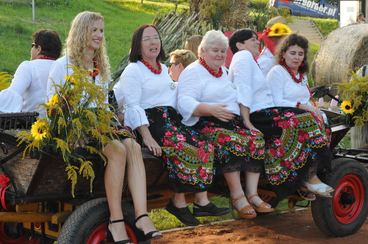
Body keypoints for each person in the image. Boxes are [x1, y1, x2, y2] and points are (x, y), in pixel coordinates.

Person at [47, 12, 161, 243]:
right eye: (94, 30)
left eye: (101, 31)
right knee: (117, 150)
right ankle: (116, 220)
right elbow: (52, 105)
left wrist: (115, 120)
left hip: (101, 119)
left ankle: (141, 215)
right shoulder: (64, 65)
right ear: (81, 32)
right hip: (78, 123)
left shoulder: (99, 67)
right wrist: (69, 132)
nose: (99, 35)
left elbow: (102, 104)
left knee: (132, 146)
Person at [114, 24, 229, 227]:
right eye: (147, 38)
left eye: (156, 38)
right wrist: (147, 136)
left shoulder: (163, 69)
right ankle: (179, 203)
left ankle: (200, 201)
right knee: (183, 147)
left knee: (204, 144)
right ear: (137, 45)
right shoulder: (134, 70)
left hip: (170, 120)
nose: (153, 42)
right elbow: (132, 105)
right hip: (150, 124)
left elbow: (173, 100)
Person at [177, 30, 274, 219]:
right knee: (230, 140)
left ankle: (252, 194)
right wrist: (209, 109)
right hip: (205, 123)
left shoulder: (224, 72)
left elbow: (236, 96)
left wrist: (244, 119)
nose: (220, 55)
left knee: (256, 138)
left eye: (223, 51)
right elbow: (184, 101)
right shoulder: (193, 72)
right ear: (202, 51)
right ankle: (237, 196)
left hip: (229, 122)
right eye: (215, 50)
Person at [257, 32, 333, 199]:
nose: (296, 57)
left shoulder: (302, 75)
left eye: (300, 54)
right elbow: (276, 101)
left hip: (297, 114)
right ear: (283, 53)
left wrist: (315, 109)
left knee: (322, 120)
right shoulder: (277, 72)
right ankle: (309, 178)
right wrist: (302, 106)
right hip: (275, 115)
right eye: (292, 53)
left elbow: (306, 98)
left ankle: (306, 178)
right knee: (306, 120)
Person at [0, 29, 61, 116]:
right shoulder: (62, 68)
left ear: (39, 49)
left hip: (29, 125)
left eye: (32, 45)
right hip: (58, 126)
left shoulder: (28, 66)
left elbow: (13, 93)